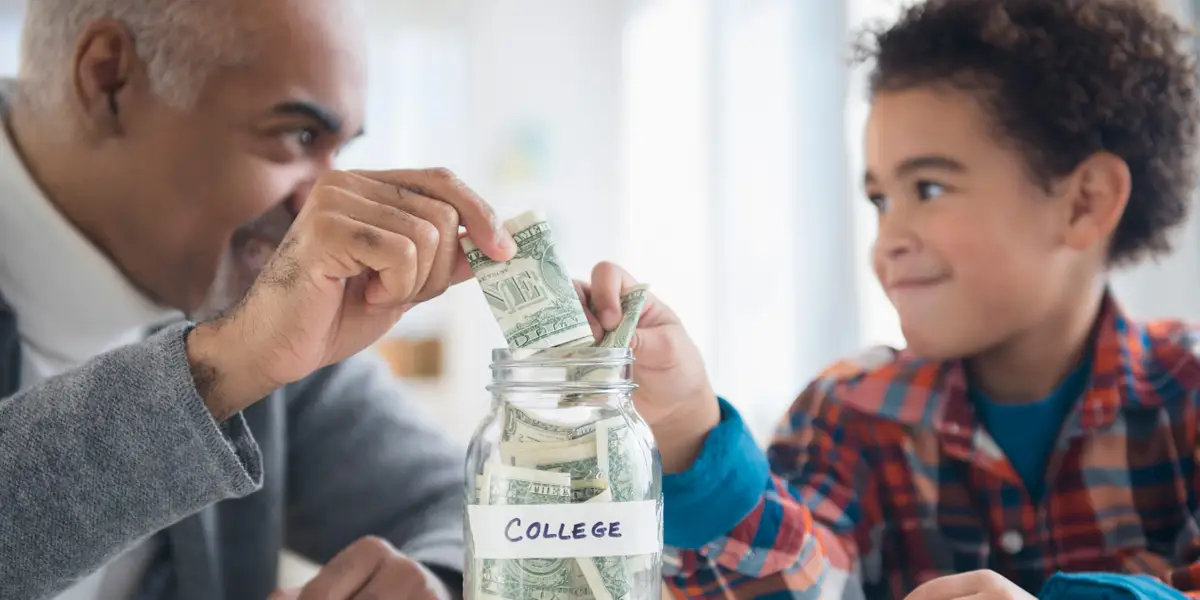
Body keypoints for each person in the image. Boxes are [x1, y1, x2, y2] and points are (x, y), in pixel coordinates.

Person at [581, 0, 1200, 598]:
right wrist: (690, 428)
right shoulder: (846, 413)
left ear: (1084, 202)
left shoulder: (1188, 395)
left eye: (929, 188)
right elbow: (799, 588)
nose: (888, 242)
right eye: (880, 200)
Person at [0, 0, 521, 598]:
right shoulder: (244, 333)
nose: (320, 206)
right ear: (109, 79)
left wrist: (435, 581)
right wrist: (222, 367)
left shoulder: (244, 302)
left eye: (340, 150)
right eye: (297, 135)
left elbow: (471, 506)